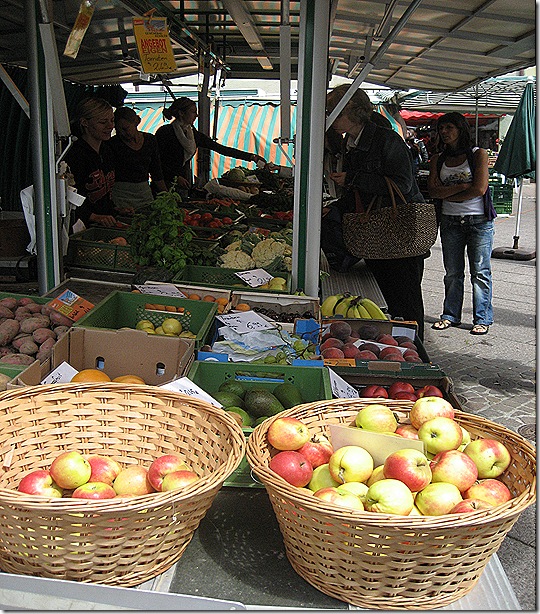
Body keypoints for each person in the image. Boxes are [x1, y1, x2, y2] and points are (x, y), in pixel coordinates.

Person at [321, 85, 428, 340]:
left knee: (406, 300)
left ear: (354, 112)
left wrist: (353, 178)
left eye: (335, 112)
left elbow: (402, 184)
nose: (331, 118)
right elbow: (359, 195)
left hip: (399, 233)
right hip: (377, 234)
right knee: (389, 297)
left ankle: (414, 352)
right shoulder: (352, 142)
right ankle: (394, 346)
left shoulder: (387, 140)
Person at [427, 111, 496, 336]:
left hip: (479, 221)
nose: (444, 132)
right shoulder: (438, 158)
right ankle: (450, 315)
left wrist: (449, 193)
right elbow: (433, 191)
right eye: (441, 128)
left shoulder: (478, 154)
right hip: (450, 221)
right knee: (452, 272)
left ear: (460, 129)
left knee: (480, 271)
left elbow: (479, 189)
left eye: (449, 128)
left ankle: (482, 318)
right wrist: (461, 188)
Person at [155, 97, 266, 191]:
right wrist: (176, 177)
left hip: (181, 184)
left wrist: (251, 157)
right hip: (163, 183)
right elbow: (157, 162)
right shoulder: (165, 132)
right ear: (181, 113)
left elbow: (220, 148)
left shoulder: (192, 134)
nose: (196, 115)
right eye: (193, 112)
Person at [65, 97, 117, 229]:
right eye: (103, 122)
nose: (110, 126)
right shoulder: (74, 155)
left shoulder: (107, 151)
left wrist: (116, 210)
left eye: (112, 120)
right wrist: (94, 216)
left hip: (106, 225)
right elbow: (68, 198)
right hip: (81, 227)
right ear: (84, 122)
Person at [109, 106, 167, 209]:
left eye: (126, 128)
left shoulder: (150, 140)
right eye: (118, 130)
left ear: (136, 122)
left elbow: (156, 171)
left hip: (144, 193)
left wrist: (166, 195)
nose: (123, 133)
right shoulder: (112, 144)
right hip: (120, 195)